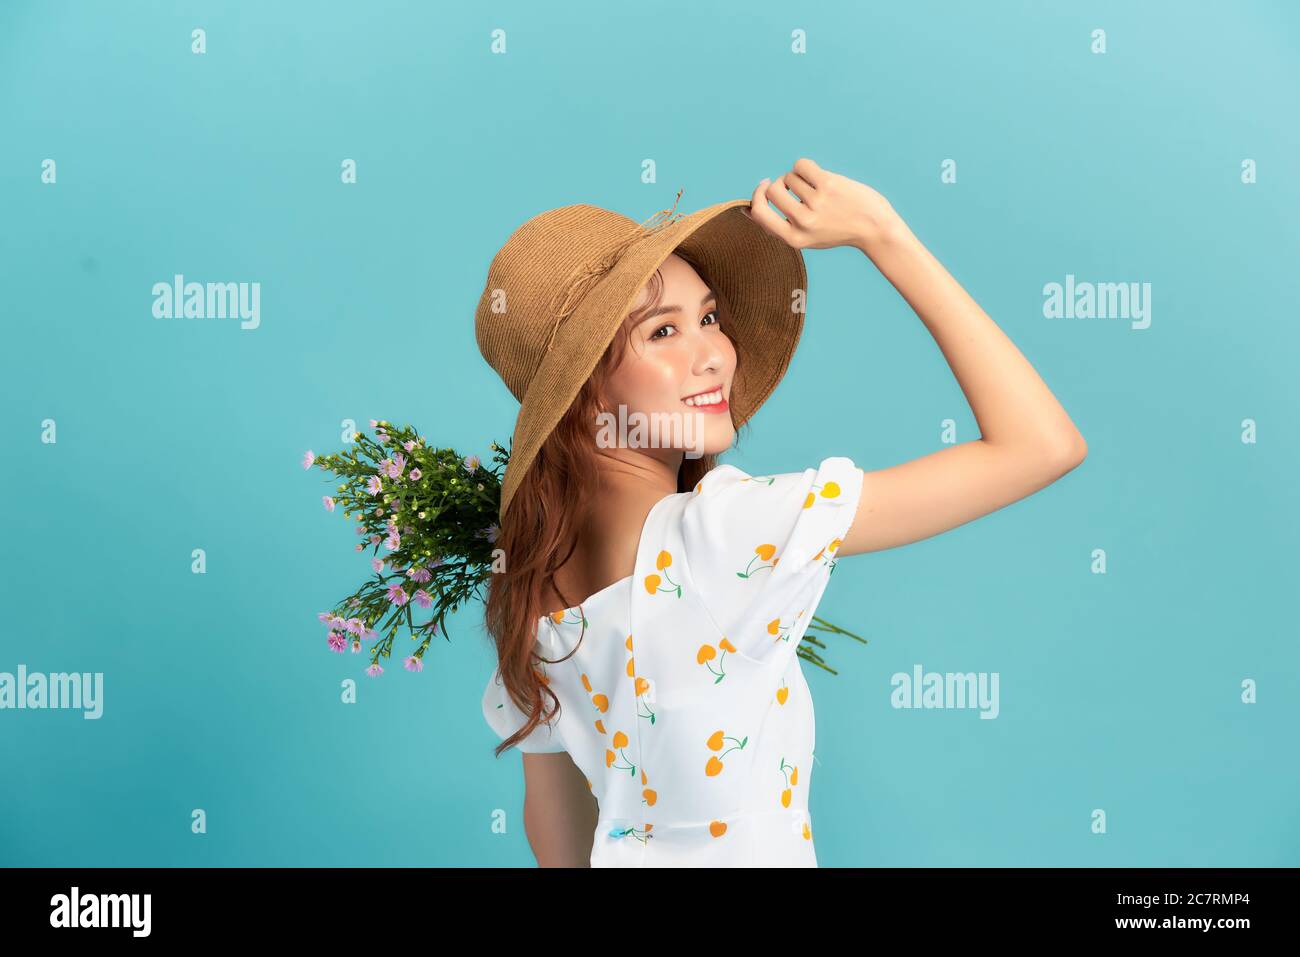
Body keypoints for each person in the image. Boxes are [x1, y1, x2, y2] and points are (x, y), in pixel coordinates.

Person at [475, 158, 1086, 867]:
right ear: (584, 391)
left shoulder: (528, 591)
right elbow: (1042, 443)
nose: (712, 355)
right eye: (662, 333)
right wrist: (885, 235)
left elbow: (558, 843)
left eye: (708, 317)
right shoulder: (723, 532)